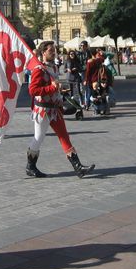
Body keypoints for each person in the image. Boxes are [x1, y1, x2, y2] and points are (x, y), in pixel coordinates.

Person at [27, 41, 95, 178]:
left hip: (55, 108)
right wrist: (52, 88)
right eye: (51, 50)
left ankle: (78, 167)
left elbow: (54, 86)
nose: (54, 52)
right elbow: (32, 90)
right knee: (38, 137)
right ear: (43, 52)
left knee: (64, 136)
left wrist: (60, 90)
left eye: (54, 50)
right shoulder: (39, 69)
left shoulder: (54, 68)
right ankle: (30, 166)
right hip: (43, 110)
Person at [77, 41, 92, 109]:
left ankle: (87, 103)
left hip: (87, 71)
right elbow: (76, 61)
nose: (82, 47)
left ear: (86, 46)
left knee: (88, 87)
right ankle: (83, 102)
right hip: (81, 71)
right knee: (82, 88)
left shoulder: (88, 53)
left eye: (83, 45)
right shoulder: (78, 53)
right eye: (81, 45)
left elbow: (91, 61)